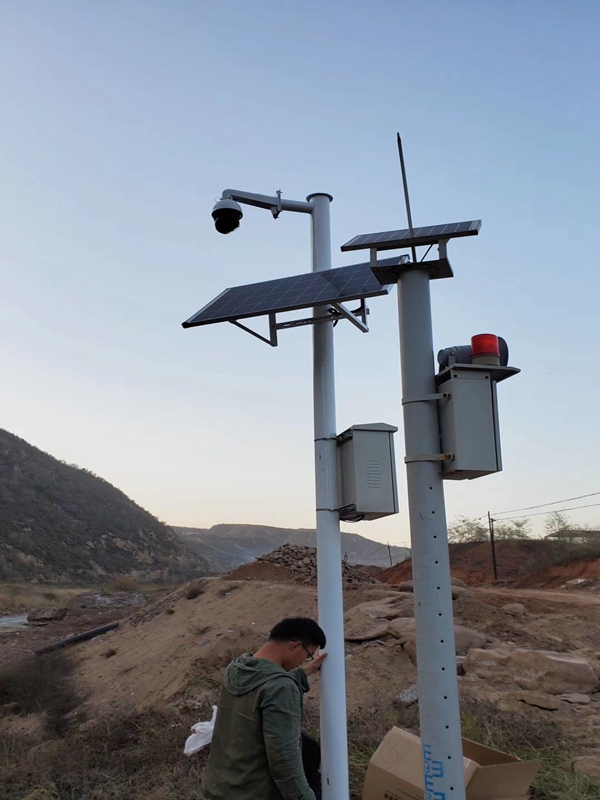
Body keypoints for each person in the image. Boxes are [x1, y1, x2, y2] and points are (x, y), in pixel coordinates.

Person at [202, 617, 327, 800]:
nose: (303, 660)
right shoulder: (281, 687)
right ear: (295, 646)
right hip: (254, 792)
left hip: (221, 787)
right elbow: (284, 758)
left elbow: (263, 685)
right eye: (308, 654)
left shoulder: (237, 668)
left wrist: (305, 671)